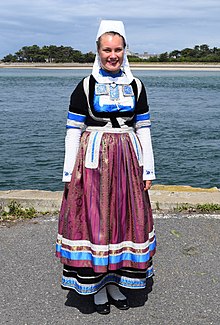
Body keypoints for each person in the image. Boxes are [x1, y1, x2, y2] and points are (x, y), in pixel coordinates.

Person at [56, 20, 156, 315]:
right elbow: (73, 130)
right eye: (107, 50)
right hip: (93, 161)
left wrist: (147, 169)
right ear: (98, 51)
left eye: (118, 49)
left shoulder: (136, 85)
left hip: (127, 158)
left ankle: (116, 281)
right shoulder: (86, 85)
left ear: (125, 51)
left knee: (124, 220)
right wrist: (68, 172)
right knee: (96, 222)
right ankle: (96, 286)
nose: (113, 55)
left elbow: (144, 129)